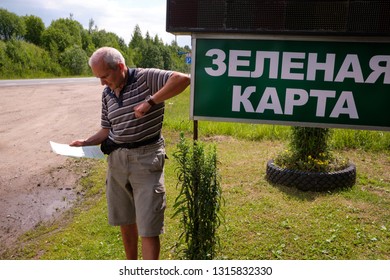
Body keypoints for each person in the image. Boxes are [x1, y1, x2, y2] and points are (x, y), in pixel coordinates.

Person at [70, 46, 190, 260]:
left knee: (148, 226)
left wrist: (150, 102)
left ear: (121, 67)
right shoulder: (106, 93)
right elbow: (107, 130)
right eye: (98, 78)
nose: (102, 83)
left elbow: (182, 79)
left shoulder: (145, 78)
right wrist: (86, 142)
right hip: (117, 161)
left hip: (146, 158)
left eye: (105, 76)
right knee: (125, 221)